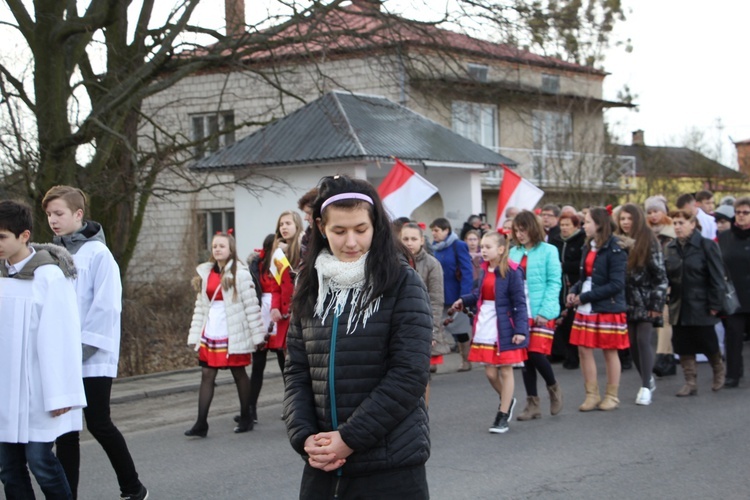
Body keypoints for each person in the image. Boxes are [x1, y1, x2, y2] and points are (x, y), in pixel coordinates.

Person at [284, 175, 432, 499]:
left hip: (390, 467)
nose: (351, 241)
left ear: (375, 225)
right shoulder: (310, 285)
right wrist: (305, 436)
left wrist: (348, 439)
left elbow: (409, 375)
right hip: (323, 467)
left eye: (360, 229)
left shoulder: (402, 283)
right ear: (322, 227)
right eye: (339, 231)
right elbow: (297, 370)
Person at [42, 186, 147, 500]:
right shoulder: (50, 256)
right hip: (62, 358)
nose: (52, 220)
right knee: (67, 433)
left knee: (99, 423)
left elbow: (106, 309)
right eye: (48, 215)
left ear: (78, 214)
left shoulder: (99, 255)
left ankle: (132, 486)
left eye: (58, 213)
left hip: (91, 357)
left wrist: (80, 350)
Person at [0, 200, 86, 500]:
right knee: (8, 467)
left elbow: (61, 338)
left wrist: (61, 392)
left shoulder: (48, 276)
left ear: (24, 236)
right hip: (5, 391)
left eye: (2, 237)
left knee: (40, 461)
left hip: (39, 390)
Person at [186, 230, 266, 436]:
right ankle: (201, 423)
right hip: (212, 329)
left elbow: (251, 305)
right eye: (215, 246)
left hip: (233, 331)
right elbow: (201, 307)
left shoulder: (240, 273)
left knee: (238, 373)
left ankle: (246, 416)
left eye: (221, 246)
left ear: (230, 249)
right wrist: (195, 334)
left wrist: (258, 336)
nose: (217, 249)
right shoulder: (206, 273)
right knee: (206, 374)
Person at [453, 231, 529, 434]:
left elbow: (520, 303)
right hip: (486, 322)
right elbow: (480, 294)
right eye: (482, 247)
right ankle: (508, 398)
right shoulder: (485, 269)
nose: (483, 251)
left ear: (501, 249)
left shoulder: (513, 271)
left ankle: (502, 415)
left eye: (487, 247)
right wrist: (464, 300)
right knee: (489, 372)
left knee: (506, 369)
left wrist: (521, 330)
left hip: (505, 323)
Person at [567, 207, 629, 411]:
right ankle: (591, 395)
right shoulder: (588, 246)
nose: (584, 226)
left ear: (599, 224)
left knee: (610, 351)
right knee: (583, 349)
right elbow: (584, 277)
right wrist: (574, 291)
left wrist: (584, 296)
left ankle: (612, 395)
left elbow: (617, 284)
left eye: (587, 222)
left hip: (607, 306)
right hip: (586, 305)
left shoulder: (615, 248)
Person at [664, 209, 726, 396]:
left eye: (681, 223)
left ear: (693, 224)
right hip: (678, 304)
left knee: (708, 342)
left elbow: (717, 277)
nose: (677, 227)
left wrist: (716, 304)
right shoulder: (670, 248)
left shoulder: (706, 246)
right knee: (683, 344)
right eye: (674, 223)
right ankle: (690, 382)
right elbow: (666, 275)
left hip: (701, 303)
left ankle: (718, 370)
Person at [509, 211, 563, 420]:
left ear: (533, 228)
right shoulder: (513, 252)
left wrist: (546, 311)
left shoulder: (549, 251)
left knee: (535, 353)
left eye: (523, 230)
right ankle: (533, 403)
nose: (520, 235)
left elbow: (554, 282)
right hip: (520, 311)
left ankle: (553, 387)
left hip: (540, 309)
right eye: (516, 231)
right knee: (525, 357)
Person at [618, 204, 668, 405]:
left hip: (647, 300)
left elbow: (661, 277)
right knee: (631, 344)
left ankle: (646, 386)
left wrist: (656, 305)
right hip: (626, 302)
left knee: (643, 340)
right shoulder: (618, 242)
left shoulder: (649, 241)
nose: (625, 223)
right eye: (622, 219)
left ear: (637, 219)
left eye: (629, 218)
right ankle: (647, 379)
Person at [400, 222, 448, 399]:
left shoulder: (432, 264)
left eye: (414, 239)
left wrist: (432, 331)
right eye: (405, 239)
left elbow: (436, 301)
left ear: (422, 240)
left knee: (422, 375)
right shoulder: (392, 261)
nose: (409, 243)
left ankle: (422, 414)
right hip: (398, 324)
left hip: (422, 325)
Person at [430, 217, 475, 372]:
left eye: (436, 230)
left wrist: (464, 296)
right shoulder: (434, 247)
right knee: (434, 328)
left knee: (460, 329)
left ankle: (466, 360)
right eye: (432, 231)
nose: (434, 234)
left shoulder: (458, 246)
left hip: (455, 295)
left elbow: (467, 272)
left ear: (446, 230)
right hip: (437, 295)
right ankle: (432, 362)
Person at [717, 197, 750, 388]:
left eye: (746, 213)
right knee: (734, 335)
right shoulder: (725, 237)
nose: (741, 217)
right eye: (738, 213)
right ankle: (733, 373)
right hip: (733, 295)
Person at [645, 195, 678, 377]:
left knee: (665, 320)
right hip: (652, 283)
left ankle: (663, 358)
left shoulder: (672, 232)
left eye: (656, 211)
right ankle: (668, 359)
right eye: (649, 212)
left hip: (669, 282)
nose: (653, 215)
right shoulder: (648, 233)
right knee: (659, 323)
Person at [551, 211, 585, 370]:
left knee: (571, 321)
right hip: (559, 285)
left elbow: (582, 264)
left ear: (575, 226)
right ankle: (563, 352)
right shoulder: (556, 241)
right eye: (562, 225)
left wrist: (564, 266)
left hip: (574, 284)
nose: (564, 228)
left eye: (567, 225)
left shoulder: (581, 240)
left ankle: (574, 355)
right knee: (561, 321)